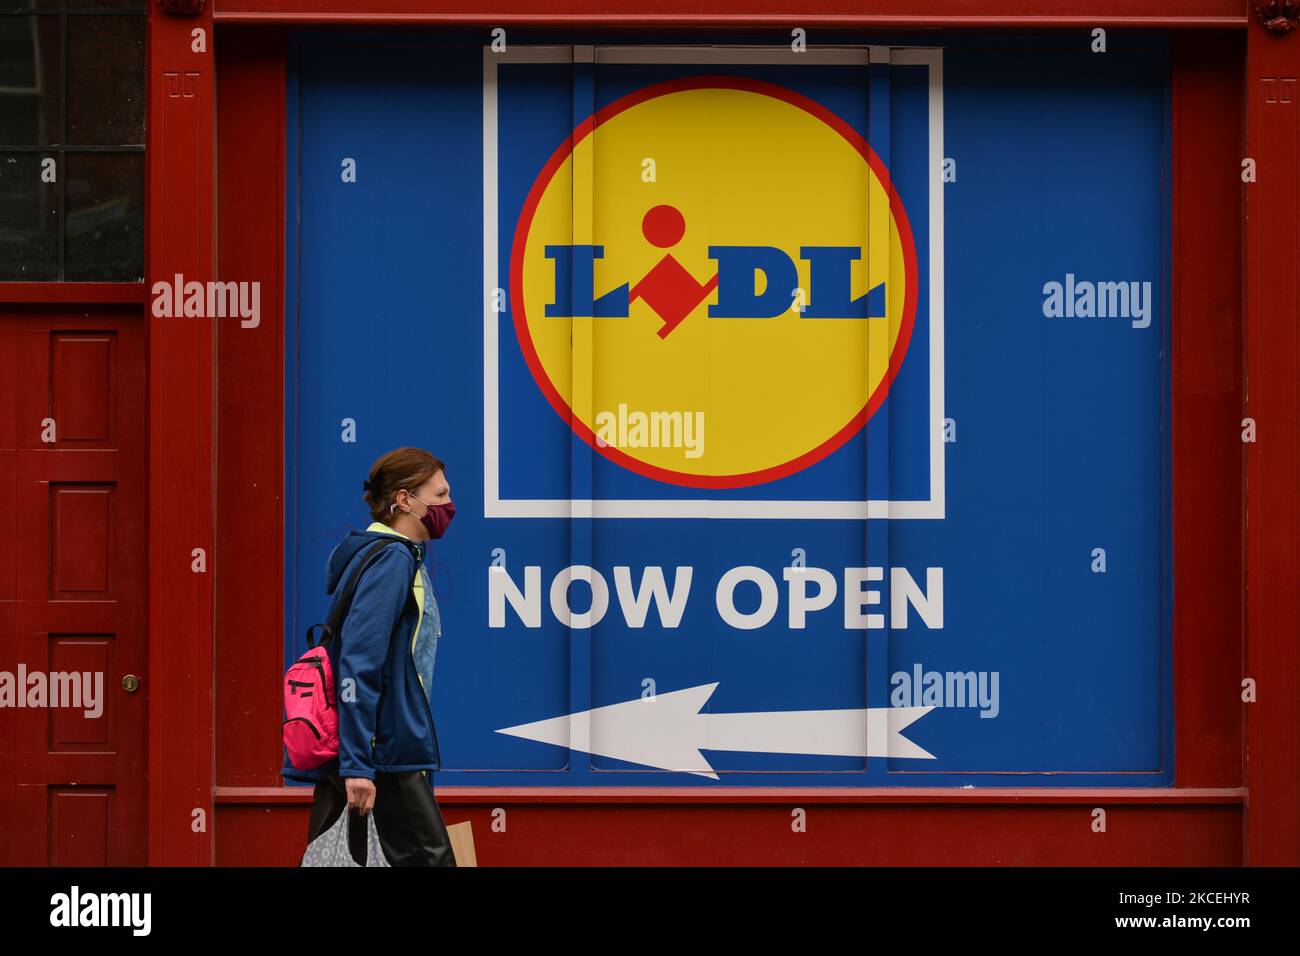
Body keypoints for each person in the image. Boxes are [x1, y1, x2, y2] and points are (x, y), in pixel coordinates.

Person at [284, 446, 457, 866]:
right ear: (404, 500)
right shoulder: (392, 561)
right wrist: (359, 765)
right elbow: (359, 662)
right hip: (386, 754)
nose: (448, 506)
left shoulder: (385, 556)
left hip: (375, 749)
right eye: (439, 495)